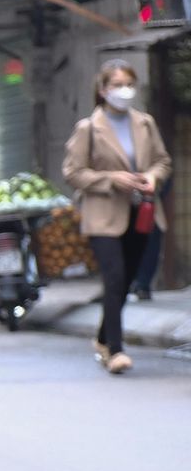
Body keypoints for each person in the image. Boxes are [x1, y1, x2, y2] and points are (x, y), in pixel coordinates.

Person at [63, 59, 171, 374]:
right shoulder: (88, 128)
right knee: (114, 277)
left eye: (128, 84)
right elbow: (73, 172)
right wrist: (111, 179)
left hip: (142, 212)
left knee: (126, 281)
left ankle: (102, 337)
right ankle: (116, 350)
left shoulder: (145, 123)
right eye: (116, 85)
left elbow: (163, 161)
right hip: (104, 215)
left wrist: (152, 176)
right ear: (102, 89)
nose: (124, 91)